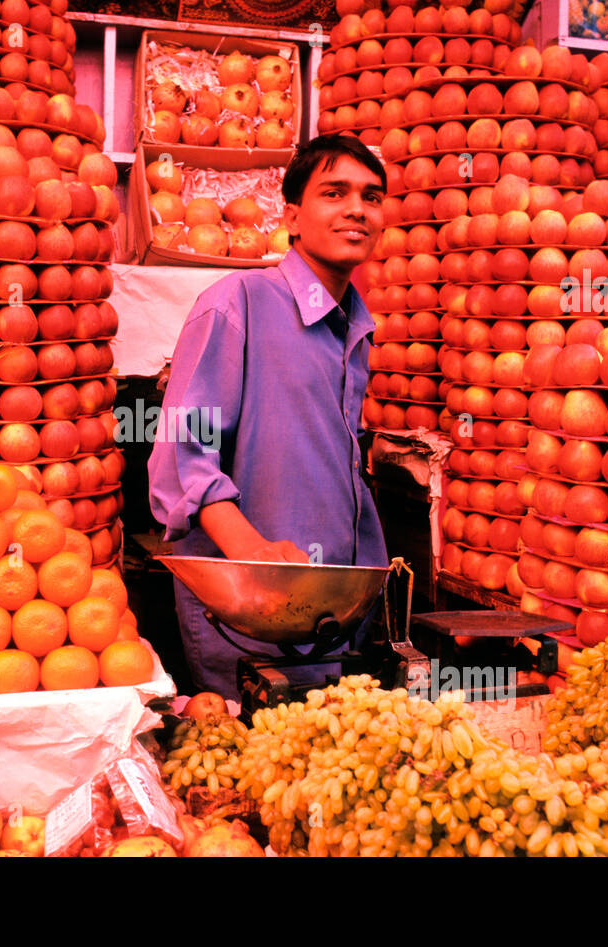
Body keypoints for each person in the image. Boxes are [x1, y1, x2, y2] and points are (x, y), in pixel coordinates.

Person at [147, 134, 389, 699]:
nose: (357, 208)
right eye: (335, 192)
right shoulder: (237, 303)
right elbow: (184, 453)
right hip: (251, 620)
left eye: (371, 197)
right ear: (293, 216)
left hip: (337, 619)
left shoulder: (354, 325)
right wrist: (256, 556)